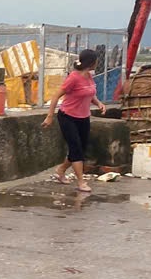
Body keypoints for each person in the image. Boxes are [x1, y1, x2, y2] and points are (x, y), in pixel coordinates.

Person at [43, 49, 106, 193]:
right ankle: (81, 182)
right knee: (76, 149)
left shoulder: (89, 76)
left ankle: (61, 170)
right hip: (68, 117)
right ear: (91, 62)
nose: (97, 62)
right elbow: (56, 96)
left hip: (83, 117)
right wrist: (50, 116)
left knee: (80, 149)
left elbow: (89, 93)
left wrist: (99, 103)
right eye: (96, 60)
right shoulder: (73, 78)